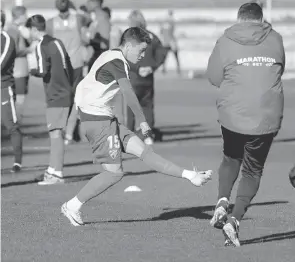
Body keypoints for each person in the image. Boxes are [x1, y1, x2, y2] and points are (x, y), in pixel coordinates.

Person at [61, 27, 212, 226]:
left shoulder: (112, 56)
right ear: (129, 45)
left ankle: (190, 175)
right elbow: (128, 93)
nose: (142, 56)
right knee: (114, 173)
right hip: (97, 122)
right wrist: (142, 120)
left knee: (144, 152)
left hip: (104, 118)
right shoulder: (117, 61)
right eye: (141, 51)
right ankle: (72, 205)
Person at [206, 2, 285, 247]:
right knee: (253, 170)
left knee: (231, 158)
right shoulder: (276, 39)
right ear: (261, 19)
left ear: (239, 19)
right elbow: (280, 69)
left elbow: (213, 78)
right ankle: (235, 218)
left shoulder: (225, 40)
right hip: (266, 114)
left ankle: (221, 201)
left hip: (233, 112)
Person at [26, 15, 74, 185]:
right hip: (66, 91)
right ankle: (52, 170)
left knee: (55, 134)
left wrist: (30, 70)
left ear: (34, 29)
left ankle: (57, 174)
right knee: (56, 132)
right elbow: (69, 66)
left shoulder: (41, 45)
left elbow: (42, 70)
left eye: (29, 31)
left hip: (55, 94)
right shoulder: (57, 42)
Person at [46, 0, 91, 145]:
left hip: (59, 65)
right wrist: (75, 8)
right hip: (76, 63)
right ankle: (72, 132)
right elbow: (88, 22)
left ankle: (63, 130)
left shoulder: (51, 23)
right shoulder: (77, 19)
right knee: (76, 98)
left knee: (62, 98)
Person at [123, 10, 167, 144]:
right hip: (147, 78)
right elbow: (162, 52)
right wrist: (152, 67)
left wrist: (138, 68)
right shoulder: (152, 36)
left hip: (133, 77)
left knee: (131, 108)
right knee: (147, 106)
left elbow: (125, 55)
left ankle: (129, 136)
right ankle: (148, 136)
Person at [1, 10, 23, 173]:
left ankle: (17, 162)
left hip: (3, 87)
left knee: (11, 126)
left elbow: (2, 64)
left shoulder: (7, 39)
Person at [6, 6, 31, 118]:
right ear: (20, 16)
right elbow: (11, 51)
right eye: (25, 15)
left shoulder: (19, 29)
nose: (27, 17)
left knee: (18, 98)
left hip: (21, 69)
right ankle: (15, 128)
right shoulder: (12, 30)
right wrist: (29, 49)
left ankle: (15, 127)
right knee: (19, 99)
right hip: (17, 70)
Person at [86, 0, 110, 70]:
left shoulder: (102, 17)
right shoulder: (95, 18)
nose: (87, 4)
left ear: (95, 2)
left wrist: (88, 41)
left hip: (98, 60)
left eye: (88, 1)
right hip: (93, 59)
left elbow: (104, 44)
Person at [159, 10, 180, 75]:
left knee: (165, 56)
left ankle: (163, 69)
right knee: (176, 56)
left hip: (165, 42)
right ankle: (178, 69)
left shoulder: (163, 23)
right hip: (171, 42)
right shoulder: (172, 22)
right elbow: (172, 32)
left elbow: (161, 32)